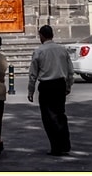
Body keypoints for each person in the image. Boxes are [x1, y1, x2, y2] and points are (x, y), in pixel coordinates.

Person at [27, 24, 73, 156]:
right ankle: (65, 144)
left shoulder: (39, 51)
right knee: (60, 115)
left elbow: (33, 74)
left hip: (47, 86)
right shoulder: (62, 50)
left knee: (49, 117)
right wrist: (69, 85)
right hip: (60, 85)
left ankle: (56, 146)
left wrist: (31, 91)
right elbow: (70, 70)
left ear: (41, 35)